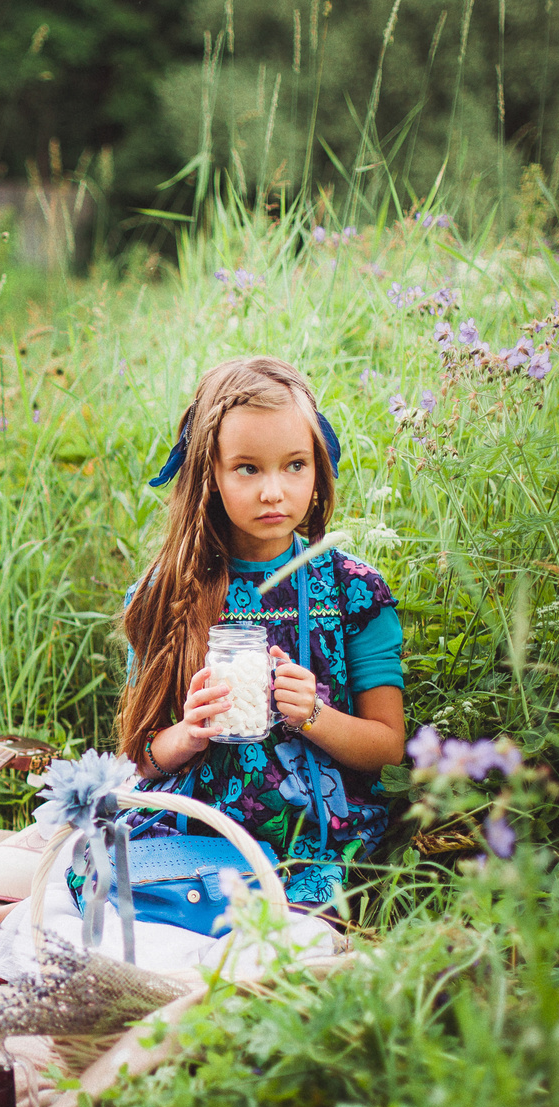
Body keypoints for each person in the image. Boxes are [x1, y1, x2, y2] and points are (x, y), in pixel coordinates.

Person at [120, 355, 406, 906]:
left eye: (295, 465)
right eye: (248, 468)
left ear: (318, 466)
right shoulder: (168, 591)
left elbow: (389, 749)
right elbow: (140, 757)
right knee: (109, 892)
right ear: (211, 474)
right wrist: (189, 733)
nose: (274, 491)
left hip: (315, 840)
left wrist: (314, 716)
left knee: (280, 930)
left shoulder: (354, 591)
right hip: (196, 834)